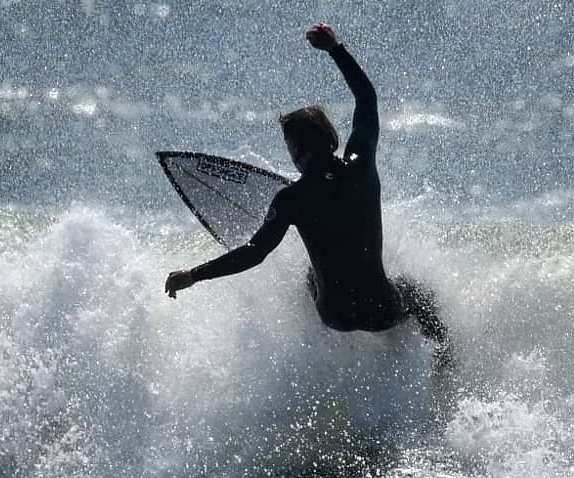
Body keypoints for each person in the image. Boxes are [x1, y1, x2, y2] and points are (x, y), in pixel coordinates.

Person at [165, 23, 450, 366]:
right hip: (382, 309)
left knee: (311, 278)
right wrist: (335, 48)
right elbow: (366, 98)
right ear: (330, 138)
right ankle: (445, 362)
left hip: (335, 315)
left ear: (297, 149)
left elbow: (254, 253)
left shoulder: (292, 199)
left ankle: (330, 359)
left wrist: (194, 275)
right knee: (418, 296)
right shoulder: (361, 165)